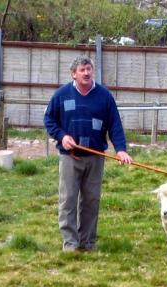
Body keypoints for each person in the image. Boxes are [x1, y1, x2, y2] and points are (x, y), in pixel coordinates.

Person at [44, 55, 133, 252]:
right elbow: (49, 119)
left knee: (91, 200)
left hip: (95, 156)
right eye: (82, 70)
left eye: (89, 69)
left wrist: (121, 150)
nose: (86, 73)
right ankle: (70, 243)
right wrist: (61, 136)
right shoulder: (62, 95)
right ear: (73, 74)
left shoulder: (104, 96)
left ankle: (87, 242)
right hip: (69, 157)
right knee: (68, 200)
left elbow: (115, 125)